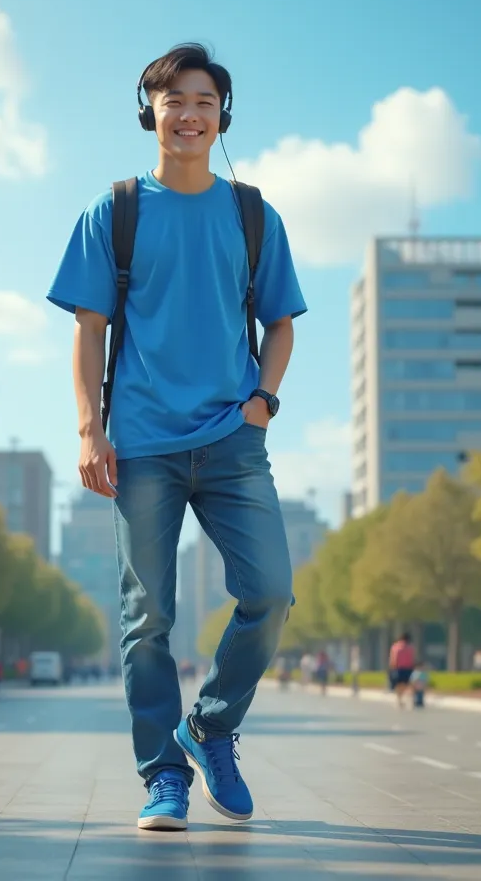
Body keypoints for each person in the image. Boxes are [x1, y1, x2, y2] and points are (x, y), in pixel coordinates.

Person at [48, 43, 306, 832]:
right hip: (145, 444)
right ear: (148, 112)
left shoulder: (253, 213)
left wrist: (262, 400)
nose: (189, 115)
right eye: (174, 101)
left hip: (233, 439)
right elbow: (90, 331)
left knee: (269, 592)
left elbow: (281, 323)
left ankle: (212, 725)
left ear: (222, 115)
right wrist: (91, 429)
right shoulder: (114, 211)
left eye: (204, 101)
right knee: (146, 617)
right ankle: (163, 773)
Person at [388, 632, 416, 709]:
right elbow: (412, 658)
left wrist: (392, 666)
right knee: (406, 684)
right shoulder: (410, 647)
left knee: (398, 684)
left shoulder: (396, 646)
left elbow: (393, 658)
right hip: (408, 668)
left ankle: (399, 699)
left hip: (398, 668)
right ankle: (404, 698)